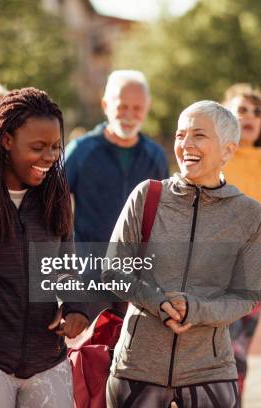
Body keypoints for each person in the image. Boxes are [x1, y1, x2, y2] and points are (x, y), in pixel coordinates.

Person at [102, 101, 261, 407]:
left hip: (211, 371)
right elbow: (113, 270)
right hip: (138, 367)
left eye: (199, 135)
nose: (185, 144)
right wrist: (159, 302)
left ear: (227, 151)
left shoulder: (249, 214)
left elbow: (245, 295)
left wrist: (194, 308)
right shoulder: (146, 196)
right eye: (180, 135)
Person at [0, 87, 89, 407]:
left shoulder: (56, 193)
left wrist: (76, 306)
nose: (49, 157)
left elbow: (66, 264)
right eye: (37, 147)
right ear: (6, 141)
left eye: (54, 147)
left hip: (47, 357)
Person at [64, 69, 168, 316]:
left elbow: (166, 215)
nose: (129, 116)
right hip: (89, 274)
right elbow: (52, 203)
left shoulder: (155, 156)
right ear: (105, 105)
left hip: (137, 276)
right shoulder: (81, 150)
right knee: (87, 351)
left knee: (130, 351)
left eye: (137, 108)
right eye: (122, 107)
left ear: (147, 107)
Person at [222, 83, 261, 395]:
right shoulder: (217, 159)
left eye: (256, 112)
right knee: (223, 351)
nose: (249, 116)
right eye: (241, 109)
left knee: (241, 351)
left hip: (258, 275)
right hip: (219, 276)